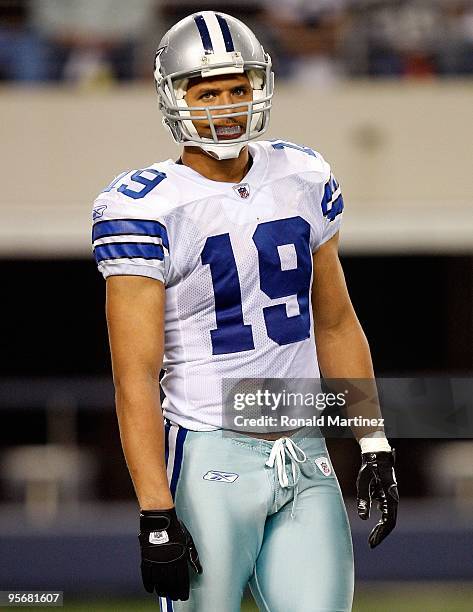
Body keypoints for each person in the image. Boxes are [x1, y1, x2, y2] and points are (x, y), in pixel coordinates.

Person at [92, 11, 398, 612]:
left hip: (304, 447)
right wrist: (156, 511)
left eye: (239, 87)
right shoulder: (146, 206)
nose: (228, 105)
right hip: (208, 451)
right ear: (173, 97)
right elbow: (135, 378)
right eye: (208, 92)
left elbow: (334, 321)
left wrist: (373, 443)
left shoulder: (302, 174)